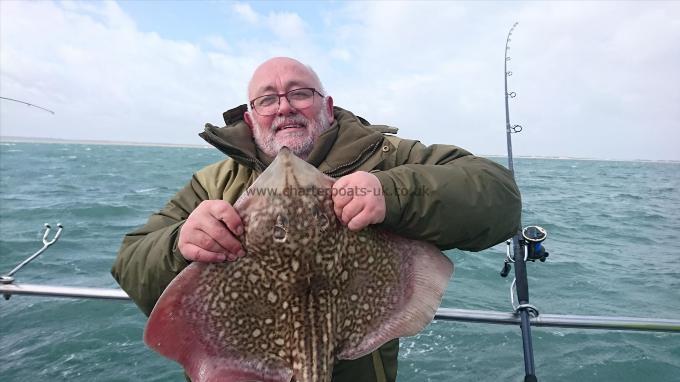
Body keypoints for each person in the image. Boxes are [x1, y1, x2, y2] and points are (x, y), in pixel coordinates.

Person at [111, 57, 522, 381]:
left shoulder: (386, 157)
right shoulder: (214, 183)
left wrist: (390, 192)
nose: (284, 107)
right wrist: (180, 242)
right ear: (251, 117)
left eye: (299, 93)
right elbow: (130, 262)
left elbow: (498, 196)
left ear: (326, 105)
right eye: (267, 99)